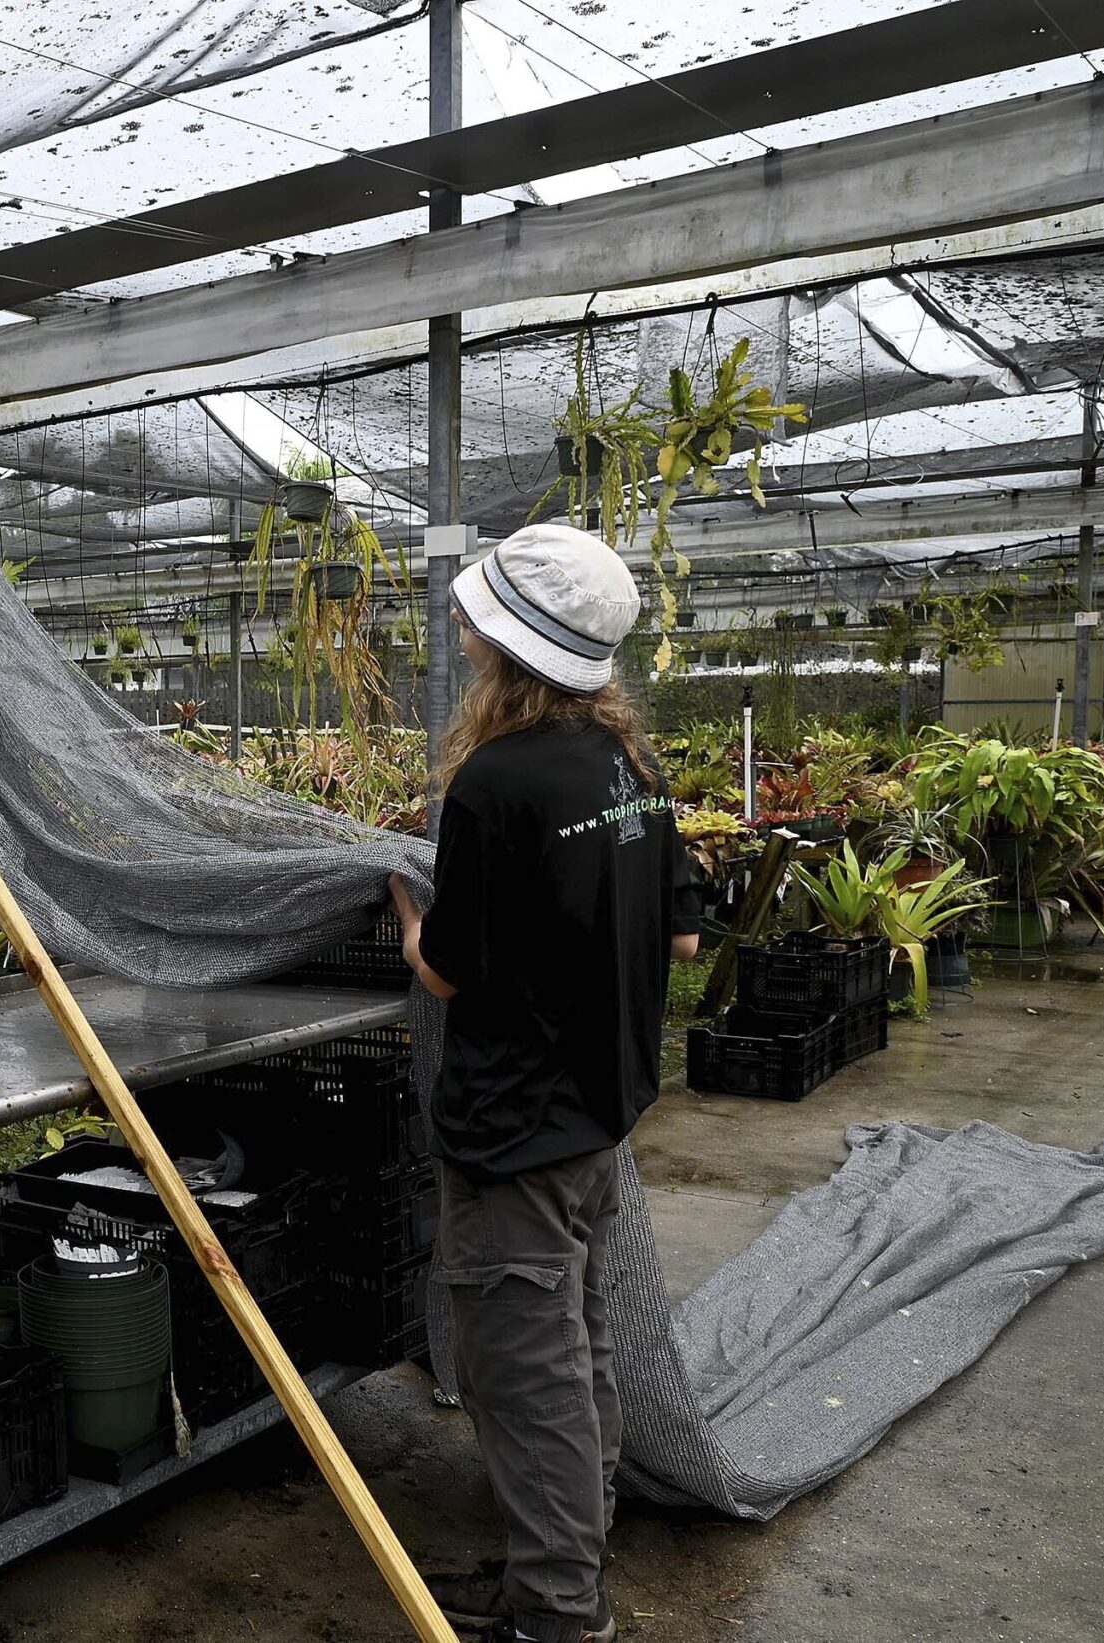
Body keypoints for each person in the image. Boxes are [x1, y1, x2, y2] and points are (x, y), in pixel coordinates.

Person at [385, 522, 701, 1643]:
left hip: (512, 1129)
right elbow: (680, 939)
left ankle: (560, 1613)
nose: (458, 624)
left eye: (472, 613)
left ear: (505, 644)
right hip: (598, 1114)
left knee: (529, 1378)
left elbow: (446, 972)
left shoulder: (496, 780)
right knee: (579, 1344)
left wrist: (408, 914)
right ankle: (560, 1563)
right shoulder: (629, 767)